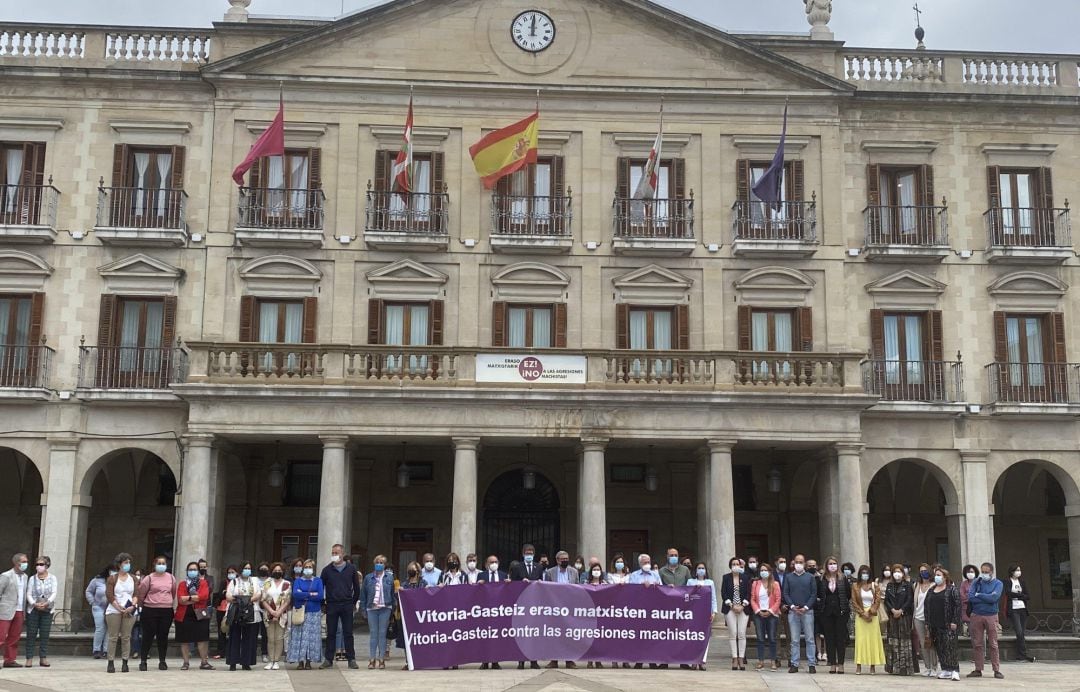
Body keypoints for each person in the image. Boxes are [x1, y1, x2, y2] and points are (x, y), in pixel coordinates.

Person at [320, 544, 360, 669]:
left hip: (347, 604)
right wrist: (323, 603)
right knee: (331, 633)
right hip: (331, 604)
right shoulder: (326, 570)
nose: (334, 555)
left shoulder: (351, 568)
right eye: (332, 553)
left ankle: (351, 659)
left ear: (342, 554)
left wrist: (353, 602)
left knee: (348, 633)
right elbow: (321, 587)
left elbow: (357, 587)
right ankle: (328, 659)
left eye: (337, 552)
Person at [135, 555, 175, 671]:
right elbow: (141, 594)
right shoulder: (149, 578)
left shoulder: (171, 578)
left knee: (163, 636)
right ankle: (143, 661)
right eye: (159, 563)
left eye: (163, 563)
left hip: (166, 610)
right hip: (150, 610)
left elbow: (173, 592)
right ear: (154, 565)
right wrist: (144, 605)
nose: (161, 565)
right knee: (148, 635)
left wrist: (165, 601)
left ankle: (162, 661)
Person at [509, 544, 543, 670]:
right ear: (523, 554)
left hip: (535, 605)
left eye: (531, 552)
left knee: (534, 633)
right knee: (522, 633)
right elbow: (512, 584)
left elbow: (542, 582)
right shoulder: (517, 567)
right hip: (522, 605)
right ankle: (521, 661)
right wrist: (520, 583)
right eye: (527, 552)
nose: (529, 554)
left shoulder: (538, 567)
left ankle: (534, 661)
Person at [781, 554, 817, 674]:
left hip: (807, 611)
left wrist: (806, 607)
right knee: (794, 640)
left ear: (804, 563)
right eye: (796, 562)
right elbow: (785, 593)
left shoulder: (810, 577)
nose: (798, 564)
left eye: (801, 562)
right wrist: (792, 606)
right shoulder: (789, 577)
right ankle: (794, 664)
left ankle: (812, 663)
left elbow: (813, 594)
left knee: (810, 639)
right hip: (793, 612)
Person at [967, 561, 1004, 679]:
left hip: (992, 615)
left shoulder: (998, 583)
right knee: (977, 643)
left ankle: (996, 670)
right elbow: (971, 597)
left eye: (986, 572)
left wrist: (979, 595)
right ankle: (978, 669)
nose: (984, 574)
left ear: (992, 572)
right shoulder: (976, 582)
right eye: (982, 572)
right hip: (976, 615)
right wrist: (985, 596)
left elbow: (994, 598)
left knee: (993, 644)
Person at [174, 561, 213, 670]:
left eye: (194, 570)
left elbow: (204, 596)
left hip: (200, 614)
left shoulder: (203, 583)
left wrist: (189, 598)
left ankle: (204, 662)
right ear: (187, 571)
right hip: (184, 614)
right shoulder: (182, 584)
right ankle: (186, 662)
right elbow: (181, 600)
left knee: (202, 638)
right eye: (190, 570)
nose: (192, 572)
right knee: (185, 640)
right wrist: (194, 598)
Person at [544, 550, 579, 669]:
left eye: (566, 559)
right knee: (555, 634)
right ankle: (554, 660)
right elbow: (546, 589)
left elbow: (578, 588)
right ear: (557, 560)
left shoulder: (574, 571)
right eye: (562, 559)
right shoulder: (550, 572)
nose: (565, 561)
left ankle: (569, 660)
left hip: (569, 607)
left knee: (569, 634)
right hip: (555, 607)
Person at [360, 554, 395, 669]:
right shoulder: (368, 577)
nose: (379, 564)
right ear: (374, 564)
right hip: (372, 608)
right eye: (377, 562)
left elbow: (392, 594)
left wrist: (392, 610)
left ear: (385, 565)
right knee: (373, 634)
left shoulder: (389, 578)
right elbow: (363, 594)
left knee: (382, 634)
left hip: (385, 608)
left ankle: (381, 659)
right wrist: (363, 609)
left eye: (381, 563)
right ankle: (371, 659)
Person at [226, 561, 263, 671]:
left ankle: (246, 662)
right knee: (235, 637)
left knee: (249, 637)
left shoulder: (255, 581)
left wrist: (247, 600)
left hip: (252, 611)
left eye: (249, 568)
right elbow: (228, 595)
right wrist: (239, 600)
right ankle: (233, 662)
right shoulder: (234, 581)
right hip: (237, 611)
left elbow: (258, 594)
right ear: (240, 569)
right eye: (245, 568)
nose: (247, 570)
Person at [925, 566, 961, 681]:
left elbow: (957, 606)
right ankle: (945, 669)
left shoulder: (952, 589)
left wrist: (955, 621)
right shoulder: (931, 590)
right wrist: (927, 622)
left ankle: (954, 670)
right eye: (936, 575)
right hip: (934, 623)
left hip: (948, 623)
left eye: (939, 575)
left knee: (950, 647)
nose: (937, 577)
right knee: (940, 647)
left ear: (945, 577)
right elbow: (926, 607)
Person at [285, 559, 322, 670]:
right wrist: (311, 594)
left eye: (310, 567)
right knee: (299, 637)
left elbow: (320, 596)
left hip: (314, 613)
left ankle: (309, 661)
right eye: (306, 567)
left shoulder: (318, 581)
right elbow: (296, 594)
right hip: (300, 612)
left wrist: (304, 594)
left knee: (311, 637)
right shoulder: (298, 581)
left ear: (313, 568)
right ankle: (300, 661)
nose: (308, 569)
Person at [104, 553, 137, 673]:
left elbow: (136, 594)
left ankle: (125, 662)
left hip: (129, 610)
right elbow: (109, 595)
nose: (128, 565)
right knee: (113, 637)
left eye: (129, 562)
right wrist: (118, 607)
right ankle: (111, 662)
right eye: (125, 563)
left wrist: (132, 606)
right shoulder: (112, 578)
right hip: (114, 610)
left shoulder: (133, 578)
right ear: (119, 564)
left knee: (126, 637)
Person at [818, 556, 851, 674]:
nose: (832, 566)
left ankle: (841, 663)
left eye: (834, 563)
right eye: (830, 564)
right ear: (826, 566)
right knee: (829, 638)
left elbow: (848, 594)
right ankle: (832, 663)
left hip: (841, 611)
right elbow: (819, 594)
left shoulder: (843, 579)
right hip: (826, 612)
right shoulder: (822, 579)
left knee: (840, 638)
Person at [23, 555, 56, 668]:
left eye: (41, 564)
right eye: (37, 564)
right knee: (31, 634)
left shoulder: (52, 578)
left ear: (47, 565)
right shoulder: (32, 578)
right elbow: (28, 593)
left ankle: (43, 658)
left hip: (47, 609)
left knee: (44, 634)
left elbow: (54, 592)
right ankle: (29, 658)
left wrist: (46, 603)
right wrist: (34, 603)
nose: (39, 566)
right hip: (33, 609)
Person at [851, 564, 884, 675]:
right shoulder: (855, 586)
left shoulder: (874, 585)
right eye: (863, 573)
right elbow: (854, 602)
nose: (865, 575)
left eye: (867, 573)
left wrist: (870, 612)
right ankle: (859, 665)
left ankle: (872, 666)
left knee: (872, 640)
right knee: (860, 640)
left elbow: (877, 600)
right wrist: (862, 613)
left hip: (872, 615)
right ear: (860, 574)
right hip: (860, 616)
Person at [884, 562, 915, 676]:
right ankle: (892, 667)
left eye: (899, 571)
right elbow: (886, 600)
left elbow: (909, 599)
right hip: (892, 617)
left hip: (904, 616)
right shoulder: (889, 585)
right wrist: (892, 610)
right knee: (893, 641)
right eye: (895, 572)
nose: (897, 574)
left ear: (903, 573)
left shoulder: (907, 585)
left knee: (904, 641)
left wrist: (901, 610)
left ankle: (905, 668)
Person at [721, 557, 750, 671]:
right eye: (733, 564)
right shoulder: (726, 577)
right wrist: (732, 606)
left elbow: (749, 593)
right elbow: (723, 593)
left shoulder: (745, 577)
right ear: (730, 566)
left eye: (737, 564)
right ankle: (734, 658)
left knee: (742, 633)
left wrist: (742, 605)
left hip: (743, 609)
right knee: (733, 633)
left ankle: (741, 658)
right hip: (730, 609)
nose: (735, 566)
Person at [750, 561, 780, 672]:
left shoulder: (775, 584)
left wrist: (771, 611)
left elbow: (778, 600)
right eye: (762, 570)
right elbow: (752, 599)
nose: (763, 572)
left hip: (772, 614)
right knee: (760, 638)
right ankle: (761, 660)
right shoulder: (755, 583)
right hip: (759, 613)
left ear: (770, 572)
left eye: (765, 570)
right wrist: (758, 611)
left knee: (772, 638)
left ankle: (773, 661)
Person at [260, 562, 290, 670]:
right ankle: (270, 660)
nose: (277, 572)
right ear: (271, 571)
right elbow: (263, 599)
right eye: (275, 570)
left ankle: (276, 660)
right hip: (269, 614)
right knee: (270, 638)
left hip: (282, 615)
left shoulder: (287, 583)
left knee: (279, 638)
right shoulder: (267, 582)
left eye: (279, 570)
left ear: (282, 572)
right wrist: (272, 611)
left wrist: (279, 612)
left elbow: (287, 600)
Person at [0, 553, 28, 669]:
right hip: (6, 610)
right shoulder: (6, 576)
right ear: (17, 563)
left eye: (26, 561)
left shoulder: (26, 577)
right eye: (23, 562)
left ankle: (10, 660)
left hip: (20, 610)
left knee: (14, 637)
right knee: (1, 637)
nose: (26, 564)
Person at [911, 562, 938, 677]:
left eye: (925, 571)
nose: (923, 573)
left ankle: (934, 667)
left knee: (931, 643)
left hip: (930, 618)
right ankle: (927, 667)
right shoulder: (916, 585)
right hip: (918, 617)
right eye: (921, 571)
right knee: (923, 643)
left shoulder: (934, 585)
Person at [396, 561, 423, 670]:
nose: (412, 571)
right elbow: (397, 598)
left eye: (414, 569)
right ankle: (409, 662)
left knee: (420, 639)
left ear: (418, 571)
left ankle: (420, 661)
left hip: (419, 616)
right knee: (408, 639)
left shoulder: (423, 583)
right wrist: (398, 592)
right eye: (410, 569)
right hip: (406, 616)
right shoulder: (404, 584)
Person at [1005, 563, 1034, 663]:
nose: (1019, 572)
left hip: (1023, 609)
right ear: (1012, 571)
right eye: (1017, 570)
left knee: (1022, 633)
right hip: (1013, 609)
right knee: (1019, 632)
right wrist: (1020, 595)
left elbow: (1028, 596)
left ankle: (1021, 655)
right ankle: (1023, 655)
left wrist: (1018, 595)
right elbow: (1008, 593)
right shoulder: (1008, 581)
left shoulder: (1022, 582)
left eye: (1019, 570)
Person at [86, 564, 112, 659]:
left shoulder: (117, 581)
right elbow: (88, 591)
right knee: (100, 627)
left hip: (111, 607)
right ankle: (96, 650)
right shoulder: (97, 580)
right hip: (98, 607)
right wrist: (92, 602)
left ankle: (106, 650)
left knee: (109, 629)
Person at [213, 567, 235, 660]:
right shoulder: (224, 582)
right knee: (221, 631)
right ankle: (221, 651)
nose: (230, 574)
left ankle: (231, 651)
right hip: (221, 609)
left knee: (233, 631)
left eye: (232, 572)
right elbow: (220, 595)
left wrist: (227, 593)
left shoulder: (238, 582)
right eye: (229, 572)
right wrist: (226, 594)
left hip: (233, 609)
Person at [774, 555, 789, 667]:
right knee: (776, 635)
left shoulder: (789, 575)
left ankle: (790, 658)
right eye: (781, 562)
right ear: (776, 563)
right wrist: (778, 606)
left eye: (784, 561)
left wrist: (786, 605)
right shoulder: (772, 576)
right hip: (775, 609)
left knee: (790, 635)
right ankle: (777, 658)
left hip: (788, 609)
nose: (783, 563)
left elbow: (791, 591)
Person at [959, 564, 977, 637]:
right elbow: (962, 595)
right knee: (972, 632)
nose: (970, 573)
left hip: (978, 610)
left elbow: (980, 595)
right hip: (967, 609)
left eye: (972, 571)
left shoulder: (979, 582)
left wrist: (971, 597)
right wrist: (972, 597)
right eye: (968, 572)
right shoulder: (963, 584)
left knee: (978, 633)